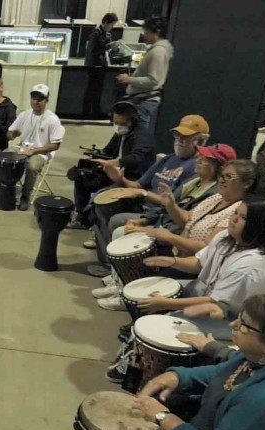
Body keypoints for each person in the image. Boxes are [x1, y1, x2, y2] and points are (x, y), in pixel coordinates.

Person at [122, 293, 265, 430]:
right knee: (163, 403)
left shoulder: (263, 400)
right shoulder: (254, 357)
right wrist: (177, 377)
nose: (233, 325)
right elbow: (224, 372)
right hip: (212, 429)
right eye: (239, 318)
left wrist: (163, 417)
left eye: (244, 326)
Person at [91, 145, 227, 304]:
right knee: (120, 228)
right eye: (201, 157)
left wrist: (146, 228)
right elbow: (165, 207)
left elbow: (184, 221)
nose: (199, 161)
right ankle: (119, 281)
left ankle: (125, 293)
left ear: (218, 167)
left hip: (175, 234)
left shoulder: (213, 193)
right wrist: (143, 220)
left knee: (122, 232)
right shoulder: (194, 182)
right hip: (163, 224)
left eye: (205, 160)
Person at [87, 115, 208, 277]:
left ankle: (114, 266)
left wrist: (143, 194)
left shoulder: (196, 168)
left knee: (117, 219)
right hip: (142, 205)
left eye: (186, 137)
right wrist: (119, 178)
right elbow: (136, 185)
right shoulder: (167, 159)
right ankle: (109, 260)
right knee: (102, 200)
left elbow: (173, 204)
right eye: (178, 135)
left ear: (200, 141)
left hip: (160, 214)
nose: (179, 140)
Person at [139, 197, 265, 339]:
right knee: (149, 291)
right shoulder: (226, 236)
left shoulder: (250, 265)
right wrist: (171, 261)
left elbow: (214, 302)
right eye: (235, 213)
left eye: (243, 217)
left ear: (257, 225)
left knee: (165, 325)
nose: (234, 219)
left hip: (232, 320)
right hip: (205, 293)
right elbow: (199, 263)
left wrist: (166, 304)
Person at [67, 100, 155, 226]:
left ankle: (95, 223)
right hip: (113, 171)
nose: (118, 126)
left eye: (122, 123)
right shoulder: (120, 133)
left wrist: (111, 163)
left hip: (131, 177)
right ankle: (81, 218)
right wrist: (97, 156)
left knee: (101, 195)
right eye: (116, 122)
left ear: (133, 120)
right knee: (82, 177)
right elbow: (108, 151)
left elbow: (136, 159)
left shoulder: (142, 136)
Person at [2, 84, 65, 211]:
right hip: (23, 149)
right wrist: (12, 134)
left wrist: (34, 151)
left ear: (46, 101)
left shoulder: (53, 119)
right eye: (34, 98)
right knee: (3, 158)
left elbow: (55, 145)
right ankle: (0, 190)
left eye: (40, 99)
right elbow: (9, 134)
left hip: (41, 152)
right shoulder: (24, 115)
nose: (36, 101)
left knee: (32, 166)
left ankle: (25, 196)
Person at [116, 16, 173, 134]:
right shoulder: (158, 50)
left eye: (146, 32)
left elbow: (153, 81)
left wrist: (129, 79)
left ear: (156, 32)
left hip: (144, 101)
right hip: (142, 100)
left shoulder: (158, 52)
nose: (144, 35)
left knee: (138, 135)